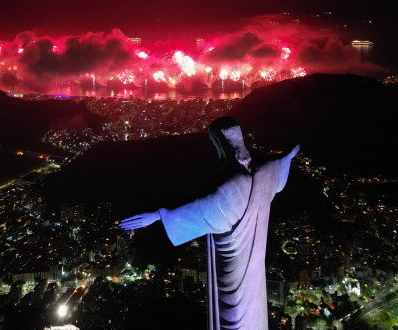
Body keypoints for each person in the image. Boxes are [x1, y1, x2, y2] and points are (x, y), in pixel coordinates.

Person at [119, 117, 299, 330]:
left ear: (220, 144)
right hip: (255, 271)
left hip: (232, 274)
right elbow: (279, 165)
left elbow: (198, 206)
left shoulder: (228, 187)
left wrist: (157, 215)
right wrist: (287, 157)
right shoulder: (266, 170)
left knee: (232, 319)